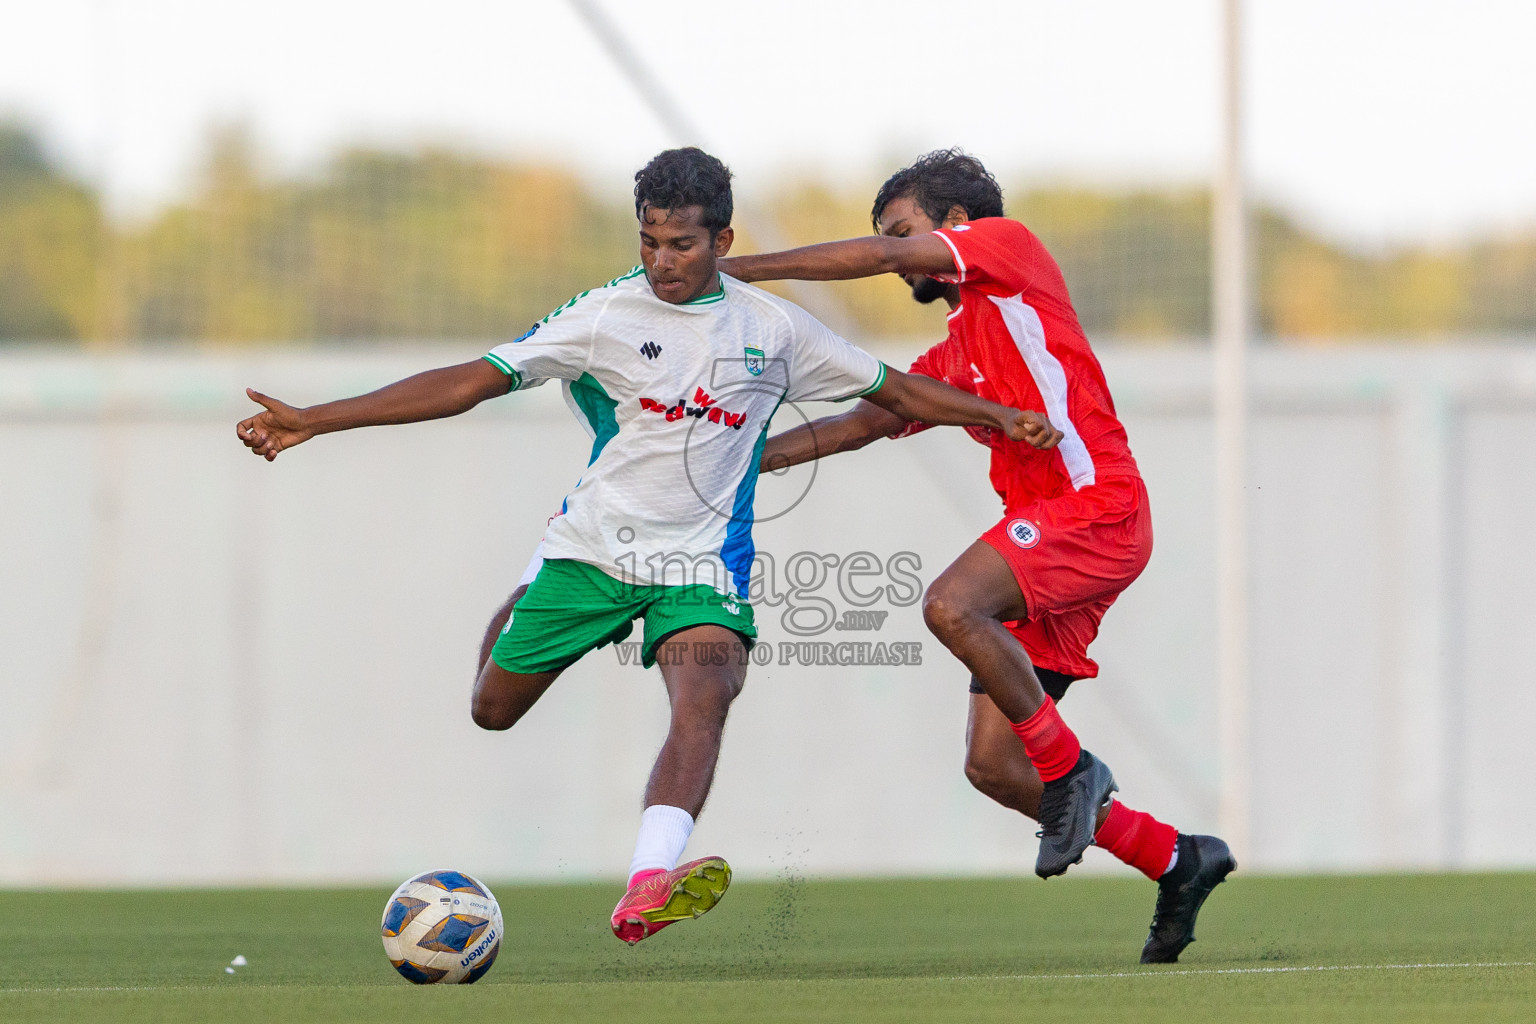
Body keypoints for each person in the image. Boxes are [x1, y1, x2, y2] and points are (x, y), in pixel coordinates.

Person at [236, 147, 1060, 946]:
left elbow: (895, 388)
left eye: (682, 244)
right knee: (493, 710)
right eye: (649, 242)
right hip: (594, 550)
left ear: (723, 243)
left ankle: (647, 882)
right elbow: (468, 383)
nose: (662, 262)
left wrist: (996, 418)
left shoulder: (774, 329)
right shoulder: (604, 315)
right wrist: (317, 419)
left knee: (709, 692)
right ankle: (529, 593)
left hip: (701, 564)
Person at [727, 149, 1235, 963]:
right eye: (888, 237)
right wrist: (740, 461)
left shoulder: (1009, 247)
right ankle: (1177, 860)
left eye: (901, 230)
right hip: (1058, 542)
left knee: (950, 604)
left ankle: (1073, 770)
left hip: (1096, 507)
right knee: (995, 766)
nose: (893, 254)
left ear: (955, 226)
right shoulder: (957, 354)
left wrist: (738, 268)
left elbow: (885, 260)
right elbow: (866, 421)